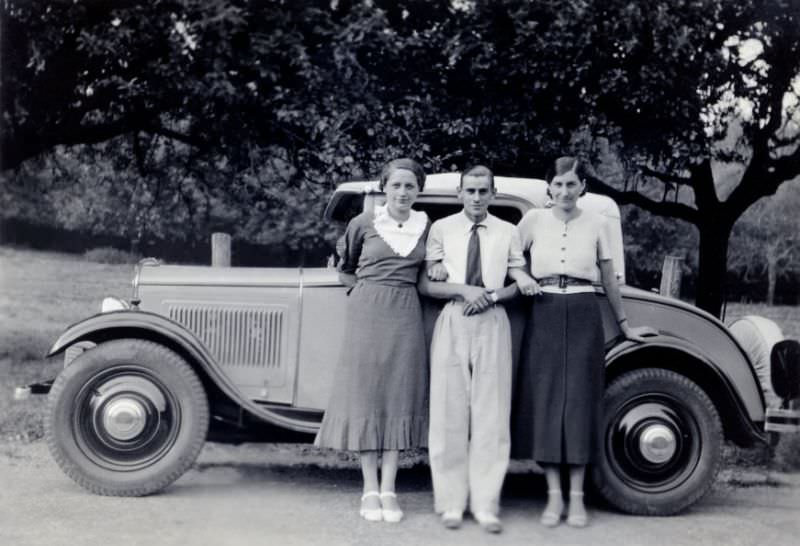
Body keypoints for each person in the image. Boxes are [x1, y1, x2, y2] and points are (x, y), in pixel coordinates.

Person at [511, 156, 653, 528]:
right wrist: (522, 276)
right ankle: (553, 496)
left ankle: (576, 497)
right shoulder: (533, 221)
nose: (564, 191)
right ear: (549, 187)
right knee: (546, 402)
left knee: (577, 402)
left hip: (583, 310)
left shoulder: (596, 223)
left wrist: (624, 325)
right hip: (542, 311)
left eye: (571, 184)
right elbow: (512, 258)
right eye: (557, 185)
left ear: (583, 188)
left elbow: (608, 275)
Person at [418, 165, 536, 534]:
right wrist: (462, 291)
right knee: (449, 412)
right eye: (470, 190)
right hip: (454, 319)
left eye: (483, 191)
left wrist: (492, 295)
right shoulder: (441, 230)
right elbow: (426, 284)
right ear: (459, 193)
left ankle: (486, 505)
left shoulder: (508, 231)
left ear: (493, 193)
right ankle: (451, 503)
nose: (476, 198)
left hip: (493, 321)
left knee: (491, 413)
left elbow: (517, 279)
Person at [315, 158, 430, 524]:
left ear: (418, 191)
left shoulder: (427, 227)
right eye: (396, 185)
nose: (403, 192)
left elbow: (431, 271)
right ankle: (368, 488)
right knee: (367, 396)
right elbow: (345, 270)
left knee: (398, 395)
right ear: (384, 188)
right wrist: (368, 292)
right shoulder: (364, 224)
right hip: (367, 313)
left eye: (410, 186)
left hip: (406, 315)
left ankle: (389, 489)